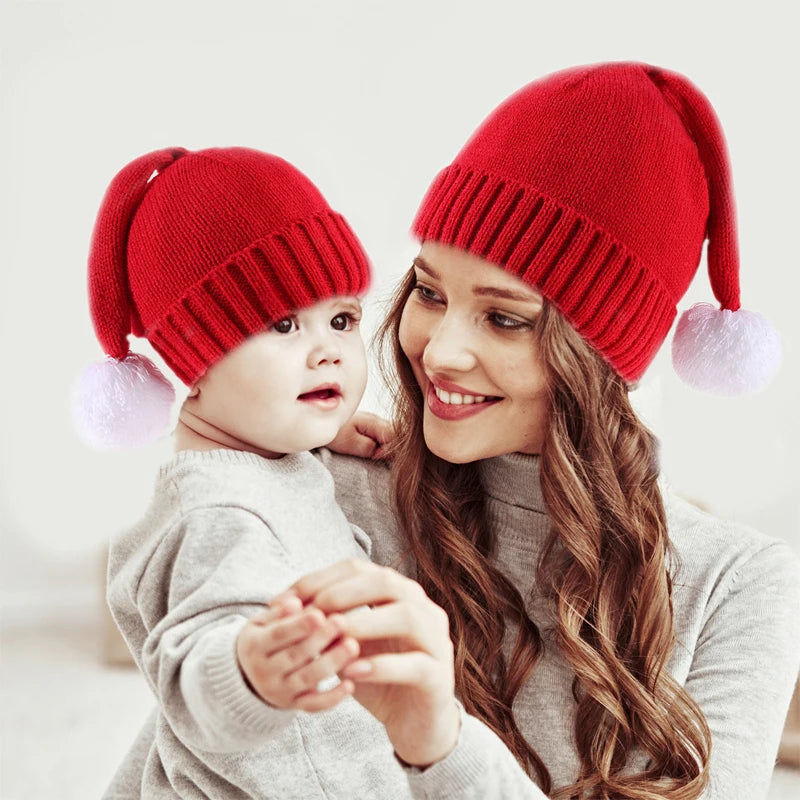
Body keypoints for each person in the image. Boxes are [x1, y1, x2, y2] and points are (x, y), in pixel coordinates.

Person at [285, 62, 800, 799]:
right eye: (430, 292)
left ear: (599, 355)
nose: (438, 350)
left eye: (504, 318)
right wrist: (235, 448)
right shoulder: (336, 491)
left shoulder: (737, 582)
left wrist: (441, 745)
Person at [72, 147, 412, 798]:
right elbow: (196, 665)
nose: (328, 353)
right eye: (284, 324)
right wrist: (244, 668)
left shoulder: (260, 457)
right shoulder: (213, 516)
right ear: (191, 363)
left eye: (341, 320)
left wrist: (318, 434)